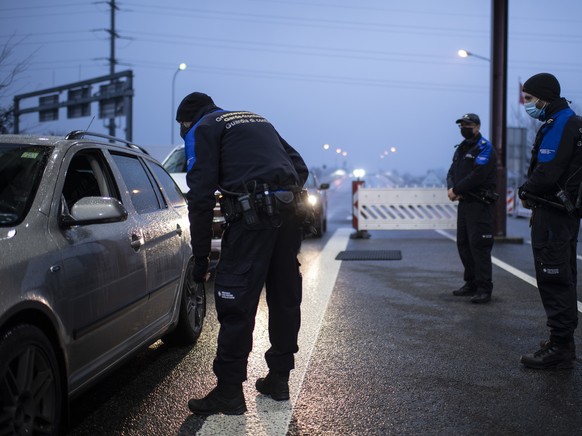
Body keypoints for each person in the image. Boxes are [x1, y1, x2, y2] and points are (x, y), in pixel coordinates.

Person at [176, 92, 309, 415]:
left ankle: (229, 392)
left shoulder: (203, 129)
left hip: (251, 222)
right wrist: (275, 193)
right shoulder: (255, 118)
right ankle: (279, 379)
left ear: (186, 121)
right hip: (289, 215)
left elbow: (201, 196)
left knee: (235, 302)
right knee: (284, 297)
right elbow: (299, 167)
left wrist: (202, 256)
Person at [518, 73, 582, 369]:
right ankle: (563, 341)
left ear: (544, 97)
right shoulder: (569, 120)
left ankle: (560, 348)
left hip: (553, 213)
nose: (527, 105)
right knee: (564, 275)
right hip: (564, 213)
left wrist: (526, 189)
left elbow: (547, 171)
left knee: (553, 276)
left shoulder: (560, 123)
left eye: (529, 99)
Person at [446, 113, 497, 304]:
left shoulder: (484, 148)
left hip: (480, 204)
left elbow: (479, 174)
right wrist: (452, 189)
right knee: (464, 244)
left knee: (479, 246)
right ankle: (471, 283)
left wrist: (457, 189)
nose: (463, 128)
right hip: (464, 203)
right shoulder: (461, 148)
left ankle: (484, 288)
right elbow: (452, 171)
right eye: (461, 125)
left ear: (476, 126)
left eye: (466, 125)